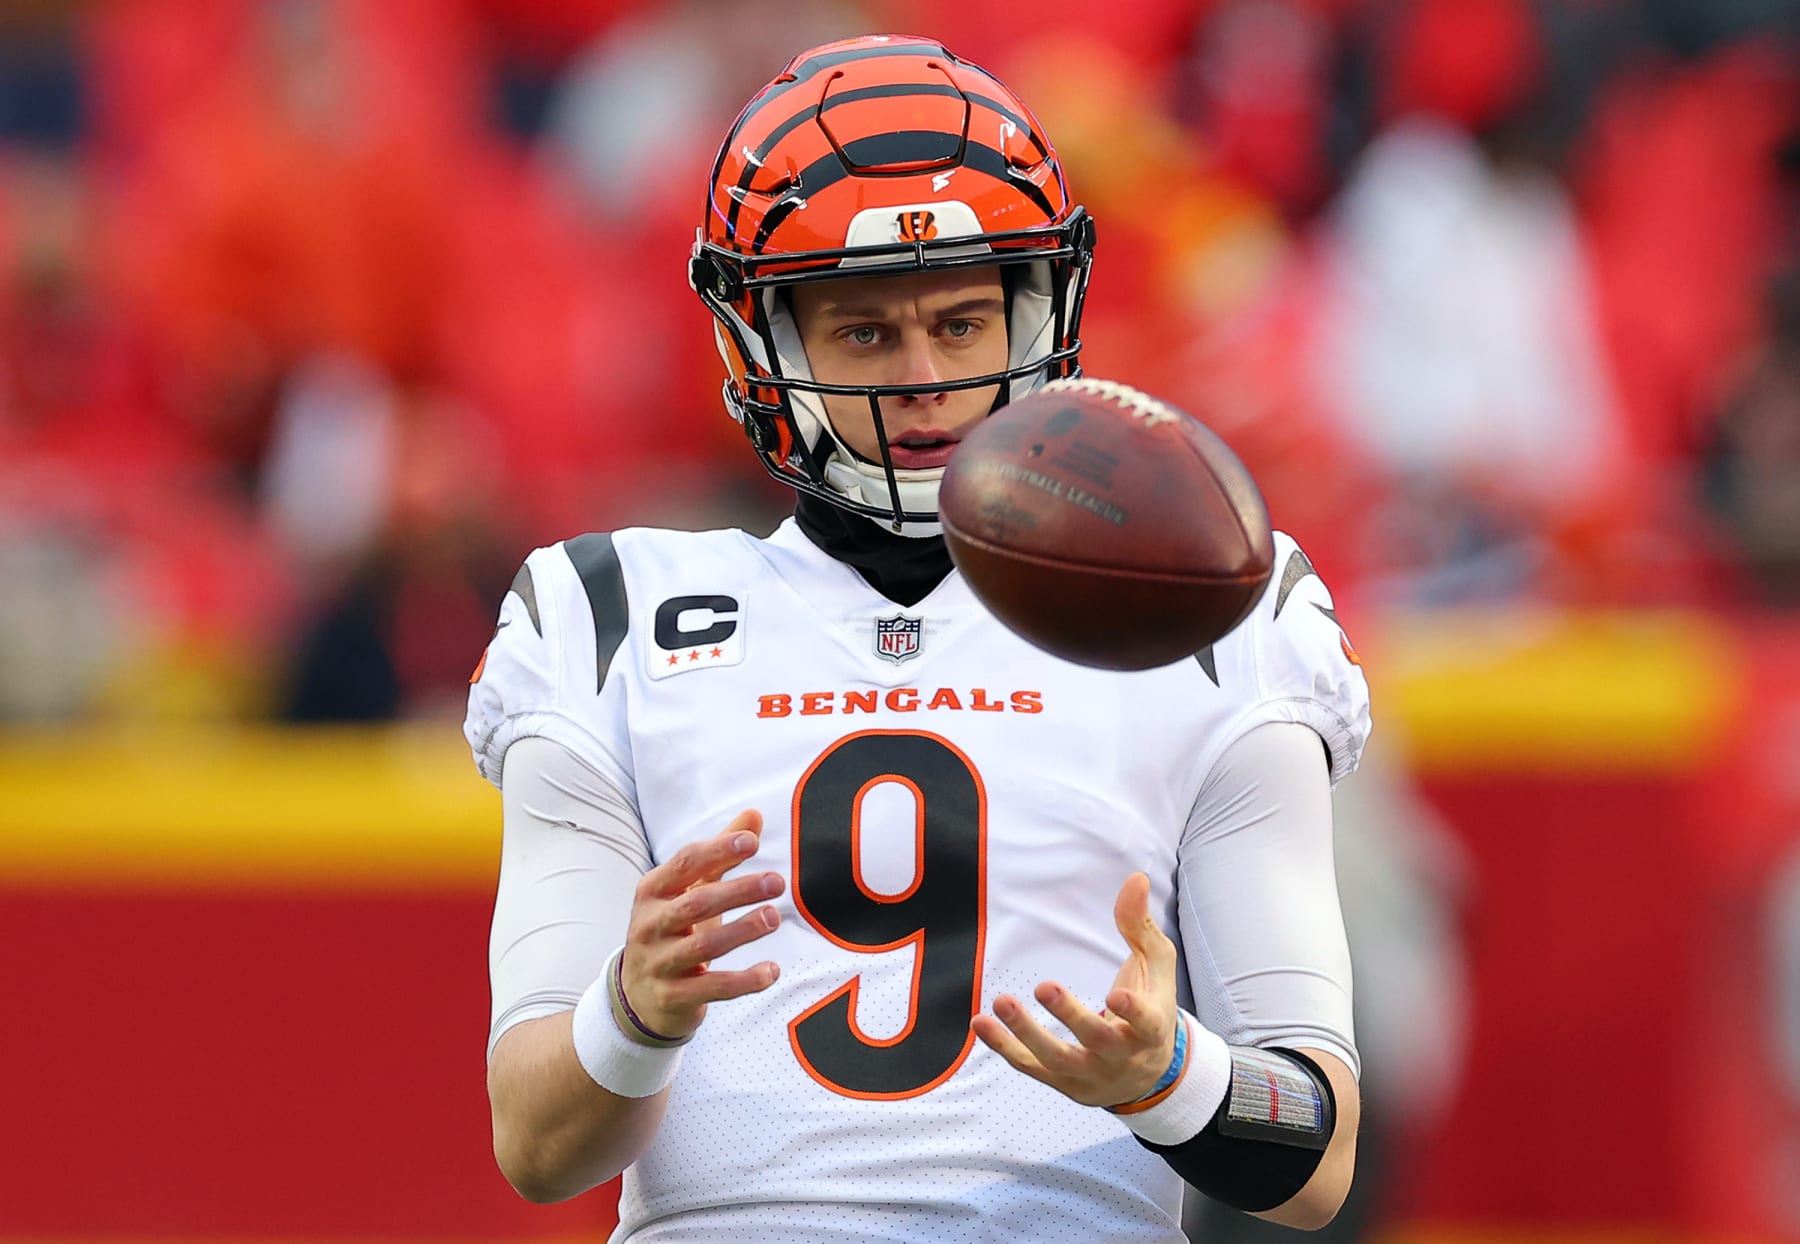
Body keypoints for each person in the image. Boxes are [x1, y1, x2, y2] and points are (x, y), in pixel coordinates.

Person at [466, 34, 1370, 1243]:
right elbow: (534, 1141)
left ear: (1038, 312)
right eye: (864, 333)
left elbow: (1316, 1148)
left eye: (961, 320)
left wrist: (1172, 1076)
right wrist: (630, 1012)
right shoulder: (608, 612)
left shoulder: (1204, 613)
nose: (924, 376)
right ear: (763, 344)